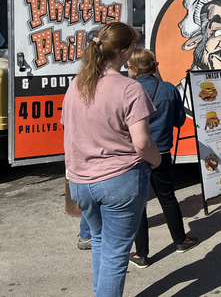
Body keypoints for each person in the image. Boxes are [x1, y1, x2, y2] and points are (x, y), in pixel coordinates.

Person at [62, 22, 162, 297]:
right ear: (124, 51)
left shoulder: (76, 86)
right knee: (116, 254)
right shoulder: (129, 89)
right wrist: (157, 162)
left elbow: (68, 132)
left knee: (100, 244)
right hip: (119, 179)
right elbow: (142, 142)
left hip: (82, 181)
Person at [126, 48, 198, 268]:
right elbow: (179, 120)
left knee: (139, 204)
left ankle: (142, 254)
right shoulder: (168, 89)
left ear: (137, 69)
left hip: (135, 154)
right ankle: (180, 240)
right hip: (162, 153)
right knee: (167, 197)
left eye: (129, 66)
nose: (126, 69)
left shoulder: (128, 90)